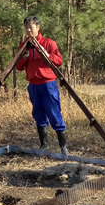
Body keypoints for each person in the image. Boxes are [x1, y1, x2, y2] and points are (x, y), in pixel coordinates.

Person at [16, 16, 68, 155]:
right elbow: (19, 67)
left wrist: (47, 55)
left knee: (54, 112)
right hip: (33, 85)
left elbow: (59, 60)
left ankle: (63, 147)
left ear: (38, 27)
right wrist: (24, 57)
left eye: (31, 27)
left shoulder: (49, 43)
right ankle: (44, 145)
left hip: (48, 84)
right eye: (26, 27)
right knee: (38, 113)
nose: (28, 30)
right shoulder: (24, 45)